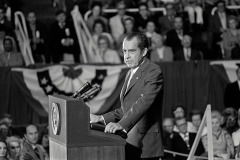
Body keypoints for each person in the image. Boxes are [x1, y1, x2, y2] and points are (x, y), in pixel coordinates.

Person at [90, 32, 164, 160]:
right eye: (124, 51)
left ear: (144, 51)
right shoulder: (130, 72)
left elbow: (143, 102)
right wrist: (101, 118)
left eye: (131, 51)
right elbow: (127, 108)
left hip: (145, 144)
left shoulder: (153, 71)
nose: (126, 57)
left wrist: (121, 124)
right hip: (129, 141)